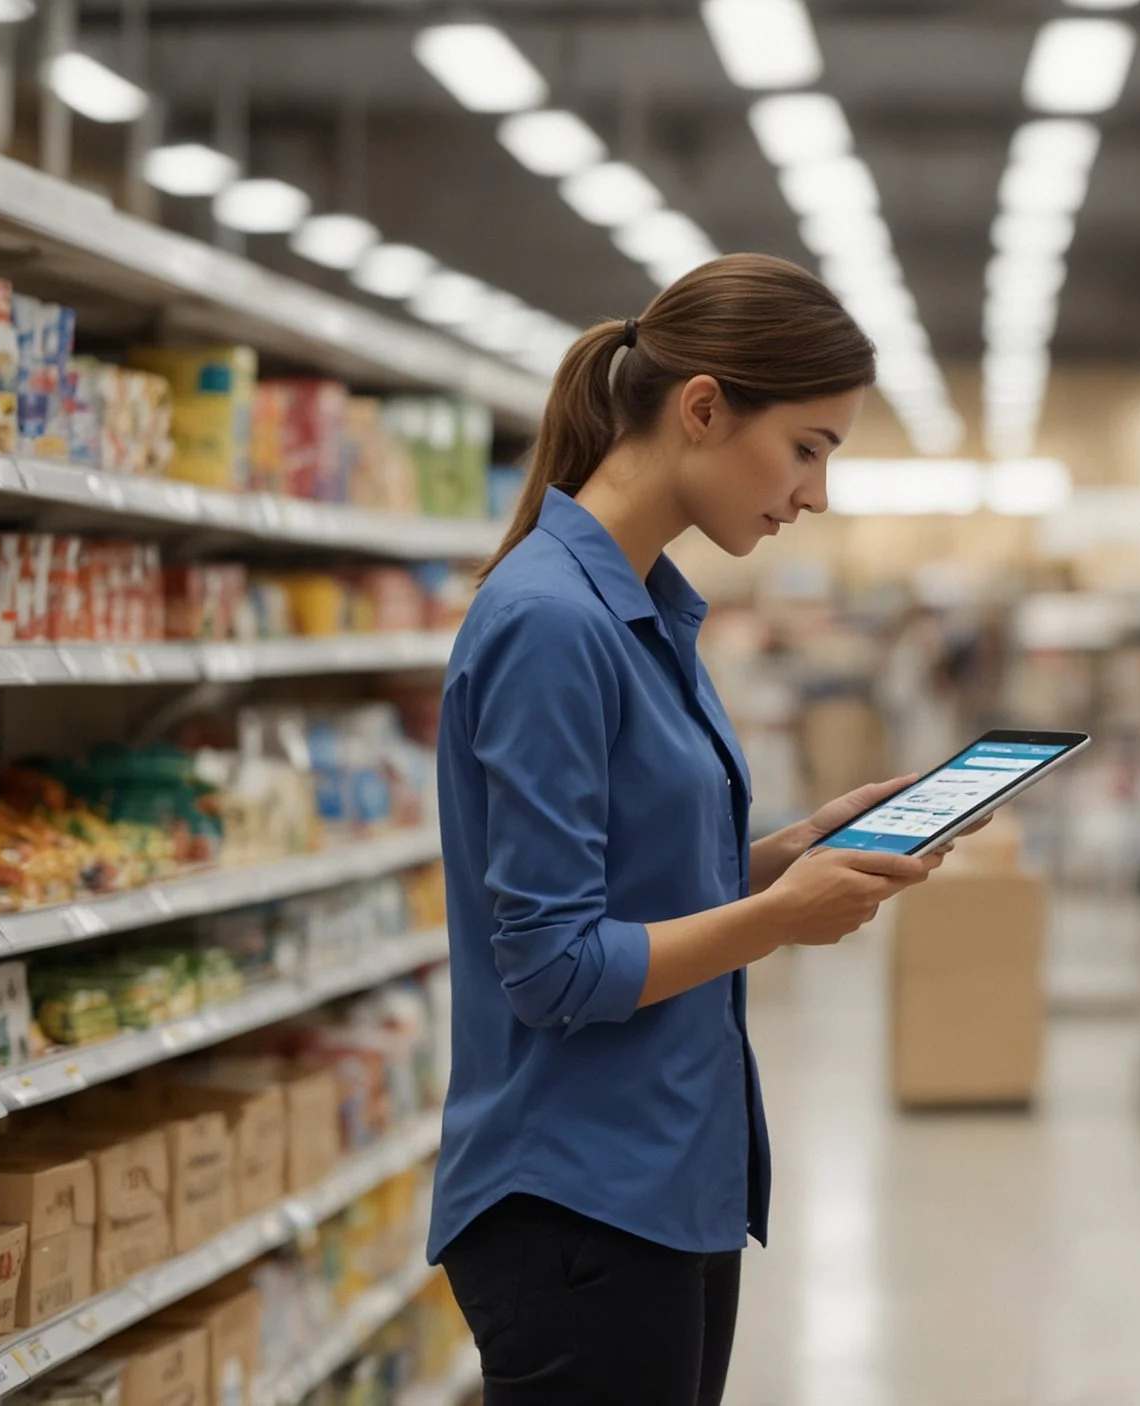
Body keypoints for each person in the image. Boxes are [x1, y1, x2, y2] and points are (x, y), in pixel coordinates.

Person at [430, 254, 946, 1406]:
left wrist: (798, 845)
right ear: (703, 408)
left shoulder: (646, 605)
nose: (814, 493)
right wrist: (774, 919)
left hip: (664, 1175)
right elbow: (553, 964)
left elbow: (642, 877)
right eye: (808, 447)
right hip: (577, 1199)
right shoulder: (553, 622)